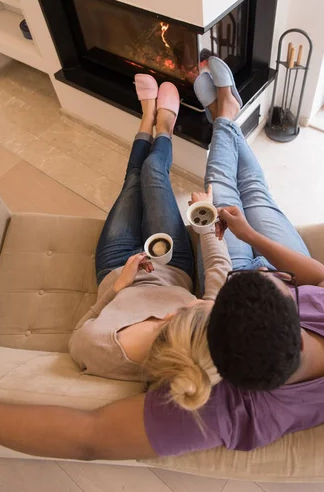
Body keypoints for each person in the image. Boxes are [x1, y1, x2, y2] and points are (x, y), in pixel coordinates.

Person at [0, 60, 324, 462]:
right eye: (275, 281)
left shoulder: (230, 408)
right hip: (275, 271)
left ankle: (224, 114)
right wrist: (252, 237)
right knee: (256, 193)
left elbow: (90, 437)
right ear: (294, 306)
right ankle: (226, 116)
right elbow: (321, 277)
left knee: (224, 188)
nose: (268, 272)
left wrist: (227, 254)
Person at [69, 73, 231, 410]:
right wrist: (205, 218)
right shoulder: (205, 332)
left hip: (116, 265)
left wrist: (119, 286)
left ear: (172, 327)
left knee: (132, 179)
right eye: (196, 304)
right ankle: (164, 129)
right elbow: (218, 271)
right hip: (172, 265)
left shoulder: (103, 350)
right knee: (153, 173)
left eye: (188, 308)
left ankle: (148, 117)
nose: (187, 302)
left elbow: (82, 326)